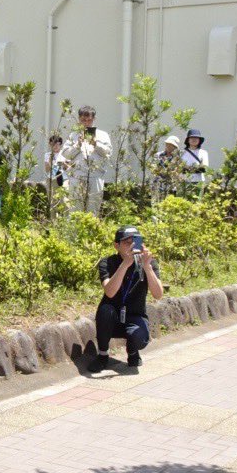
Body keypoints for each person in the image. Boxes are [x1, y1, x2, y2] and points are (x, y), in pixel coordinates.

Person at [93, 225, 164, 370]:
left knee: (139, 337)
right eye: (127, 242)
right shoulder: (108, 262)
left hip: (135, 315)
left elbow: (158, 295)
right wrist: (125, 264)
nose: (132, 246)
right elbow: (109, 292)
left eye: (136, 241)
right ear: (116, 245)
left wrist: (147, 267)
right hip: (112, 317)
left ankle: (133, 352)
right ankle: (102, 355)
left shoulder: (149, 262)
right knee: (105, 311)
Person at [68, 106, 111, 214]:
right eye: (83, 120)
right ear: (79, 119)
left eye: (89, 120)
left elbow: (108, 153)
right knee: (75, 210)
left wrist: (96, 144)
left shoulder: (103, 135)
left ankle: (91, 225)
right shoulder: (74, 135)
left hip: (95, 176)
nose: (86, 123)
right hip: (77, 176)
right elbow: (66, 154)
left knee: (93, 209)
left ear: (94, 119)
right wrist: (77, 145)